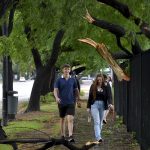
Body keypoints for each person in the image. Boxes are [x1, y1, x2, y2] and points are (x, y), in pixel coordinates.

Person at [54, 64, 80, 143]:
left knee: (70, 118)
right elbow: (55, 90)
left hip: (71, 102)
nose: (67, 71)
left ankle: (71, 136)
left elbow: (76, 90)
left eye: (68, 69)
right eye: (65, 69)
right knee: (62, 119)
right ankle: (62, 135)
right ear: (63, 70)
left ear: (70, 70)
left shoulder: (73, 80)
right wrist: (57, 98)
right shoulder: (59, 80)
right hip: (61, 102)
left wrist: (78, 99)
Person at [87, 74, 111, 143]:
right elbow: (90, 97)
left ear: (103, 79)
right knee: (97, 121)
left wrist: (110, 103)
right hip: (94, 105)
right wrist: (88, 107)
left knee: (100, 122)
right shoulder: (93, 86)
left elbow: (109, 96)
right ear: (96, 79)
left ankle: (98, 135)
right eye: (98, 80)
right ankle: (98, 137)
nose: (99, 81)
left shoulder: (106, 86)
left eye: (100, 80)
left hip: (103, 105)